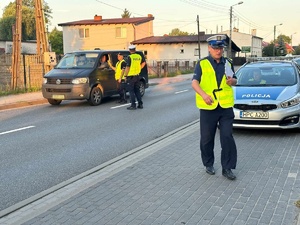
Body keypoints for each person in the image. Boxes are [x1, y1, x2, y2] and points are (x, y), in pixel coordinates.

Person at [191, 34, 238, 180]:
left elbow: (235, 80)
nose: (218, 51)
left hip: (225, 106)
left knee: (227, 137)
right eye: (215, 48)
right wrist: (204, 95)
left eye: (221, 48)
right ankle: (208, 163)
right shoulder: (202, 63)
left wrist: (232, 82)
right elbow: (194, 83)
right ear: (209, 48)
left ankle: (227, 167)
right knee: (206, 138)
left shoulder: (228, 63)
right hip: (208, 107)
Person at [123, 44, 146, 110]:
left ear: (130, 50)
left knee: (131, 91)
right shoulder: (139, 56)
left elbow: (127, 67)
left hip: (131, 77)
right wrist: (139, 68)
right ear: (135, 50)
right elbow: (144, 63)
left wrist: (125, 76)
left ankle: (133, 105)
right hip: (137, 76)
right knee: (137, 90)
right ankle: (140, 104)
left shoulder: (129, 57)